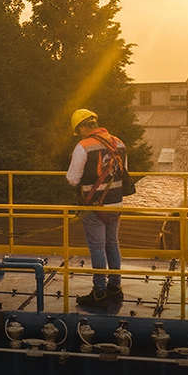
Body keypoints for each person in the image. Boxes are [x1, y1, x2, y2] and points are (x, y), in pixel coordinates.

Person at [67, 108, 128, 308]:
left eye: (78, 131)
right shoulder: (119, 143)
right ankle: (115, 288)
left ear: (82, 127)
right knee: (112, 244)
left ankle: (99, 292)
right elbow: (124, 173)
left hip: (94, 206)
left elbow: (72, 179)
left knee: (97, 247)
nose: (79, 134)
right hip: (116, 204)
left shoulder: (83, 147)